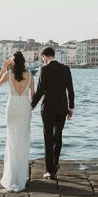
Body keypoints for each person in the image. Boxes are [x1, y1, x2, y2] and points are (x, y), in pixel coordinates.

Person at [30, 46, 74, 181]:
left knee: (48, 139)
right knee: (58, 136)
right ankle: (55, 164)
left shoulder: (44, 70)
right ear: (53, 55)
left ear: (45, 56)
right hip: (62, 109)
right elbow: (70, 90)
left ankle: (50, 171)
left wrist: (31, 106)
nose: (42, 60)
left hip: (48, 109)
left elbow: (40, 91)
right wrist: (70, 108)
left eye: (42, 57)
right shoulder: (66, 69)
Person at [0, 51, 34, 191]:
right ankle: (21, 176)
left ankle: (11, 175)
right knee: (23, 139)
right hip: (25, 106)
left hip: (12, 106)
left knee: (11, 139)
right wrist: (30, 108)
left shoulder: (8, 74)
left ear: (12, 62)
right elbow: (33, 94)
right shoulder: (30, 75)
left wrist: (3, 67)